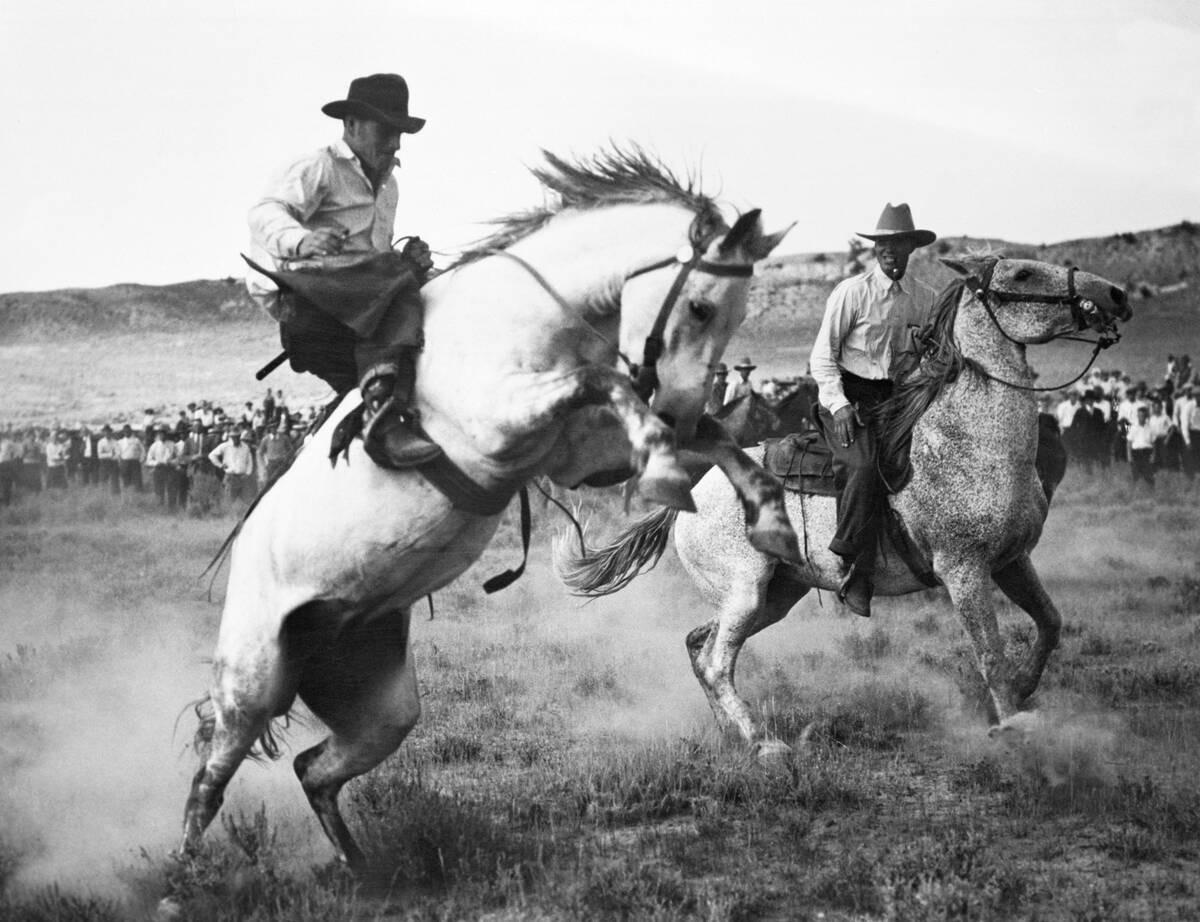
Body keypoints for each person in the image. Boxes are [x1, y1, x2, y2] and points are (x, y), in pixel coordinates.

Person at [246, 73, 440, 470]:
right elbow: (265, 212)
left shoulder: (389, 187)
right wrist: (303, 241)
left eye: (400, 132)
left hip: (356, 314)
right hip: (311, 310)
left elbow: (375, 257)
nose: (395, 142)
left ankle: (378, 416)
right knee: (395, 280)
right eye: (386, 130)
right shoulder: (318, 167)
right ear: (351, 125)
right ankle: (383, 420)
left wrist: (411, 265)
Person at [809, 203, 937, 617]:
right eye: (884, 243)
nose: (891, 251)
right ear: (875, 249)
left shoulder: (925, 300)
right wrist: (840, 406)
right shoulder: (852, 292)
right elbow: (822, 357)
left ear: (911, 248)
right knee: (864, 467)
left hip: (897, 401)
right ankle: (851, 565)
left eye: (899, 243)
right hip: (850, 399)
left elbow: (932, 357)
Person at [208, 427, 256, 507]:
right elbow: (212, 455)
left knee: (247, 501)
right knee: (229, 501)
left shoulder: (245, 447)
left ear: (239, 436)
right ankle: (227, 518)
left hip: (243, 477)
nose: (235, 438)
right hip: (231, 477)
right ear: (230, 437)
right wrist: (220, 465)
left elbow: (249, 461)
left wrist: (248, 473)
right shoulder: (225, 446)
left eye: (237, 436)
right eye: (233, 437)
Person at [1127, 404, 1156, 490]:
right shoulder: (1133, 427)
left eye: (1143, 415)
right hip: (1136, 453)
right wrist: (1129, 456)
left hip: (1147, 453)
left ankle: (1151, 491)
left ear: (1146, 416)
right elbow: (1129, 443)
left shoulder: (1150, 428)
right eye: (1140, 415)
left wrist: (1153, 456)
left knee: (1149, 474)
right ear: (1137, 416)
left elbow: (1154, 444)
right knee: (1136, 474)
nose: (1141, 417)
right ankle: (1135, 492)